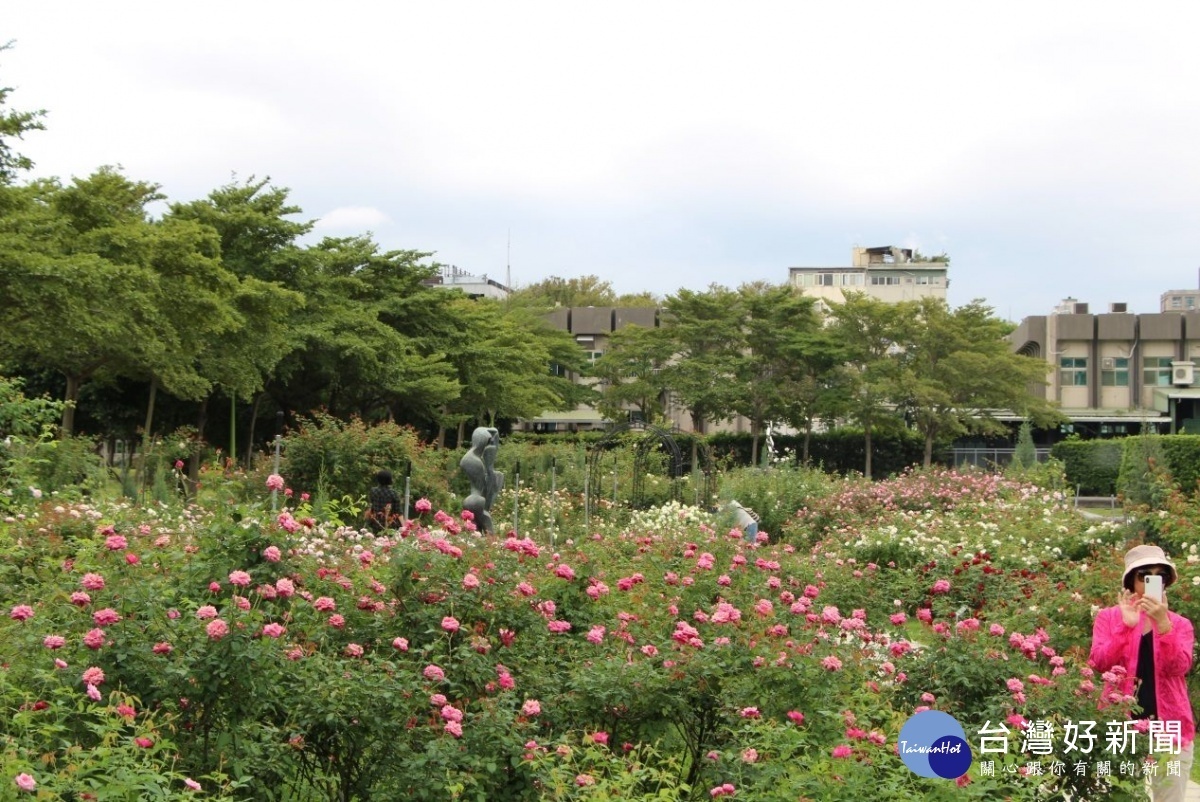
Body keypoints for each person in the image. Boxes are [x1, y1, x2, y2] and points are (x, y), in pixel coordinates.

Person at [1090, 544, 1195, 800]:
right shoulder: (1109, 617)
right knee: (1122, 795)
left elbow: (1179, 667)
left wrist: (1162, 624)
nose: (1153, 580)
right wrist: (1125, 628)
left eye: (1161, 575)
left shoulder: (1179, 624)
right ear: (1131, 580)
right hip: (1120, 726)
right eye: (1145, 574)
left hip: (1170, 726)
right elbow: (1099, 663)